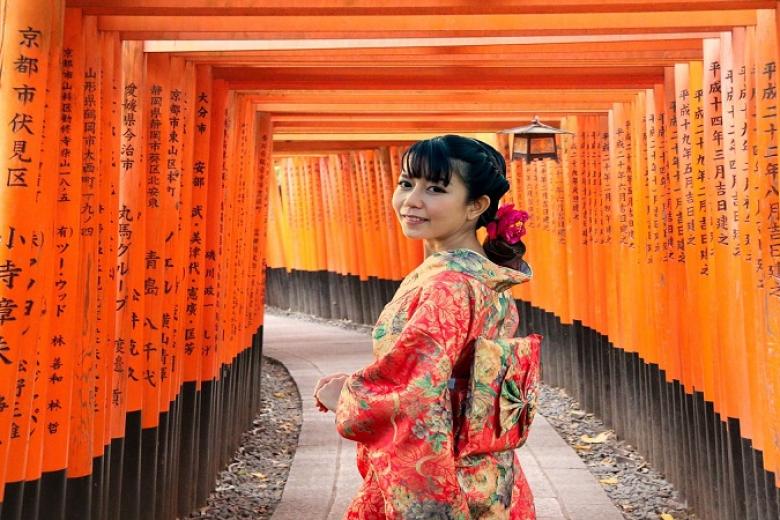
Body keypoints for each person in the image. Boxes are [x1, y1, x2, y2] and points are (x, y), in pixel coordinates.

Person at [314, 135, 538, 519]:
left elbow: (414, 397)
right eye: (406, 183)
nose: (411, 200)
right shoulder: (485, 277)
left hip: (451, 479)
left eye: (435, 188)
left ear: (477, 206)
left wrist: (349, 398)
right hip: (491, 479)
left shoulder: (447, 286)